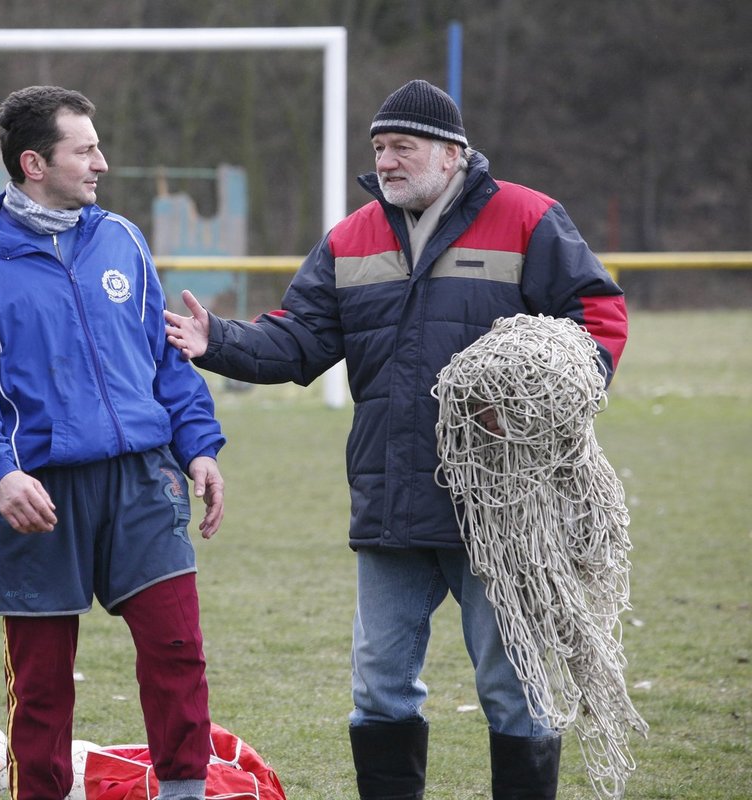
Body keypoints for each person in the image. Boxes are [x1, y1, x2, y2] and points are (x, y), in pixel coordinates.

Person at [164, 79, 628, 799]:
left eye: (402, 146)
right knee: (380, 691)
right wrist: (217, 340)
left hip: (502, 513)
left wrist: (546, 406)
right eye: (379, 147)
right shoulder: (351, 238)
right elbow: (299, 341)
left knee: (515, 692)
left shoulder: (528, 218)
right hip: (390, 501)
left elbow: (597, 319)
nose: (386, 160)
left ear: (451, 154)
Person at [0, 86, 228, 800]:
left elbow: (164, 361)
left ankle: (185, 791)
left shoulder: (121, 238)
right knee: (44, 686)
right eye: (85, 150)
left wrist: (199, 447)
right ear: (34, 162)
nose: (102, 164)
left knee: (177, 651)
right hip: (37, 495)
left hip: (142, 483)